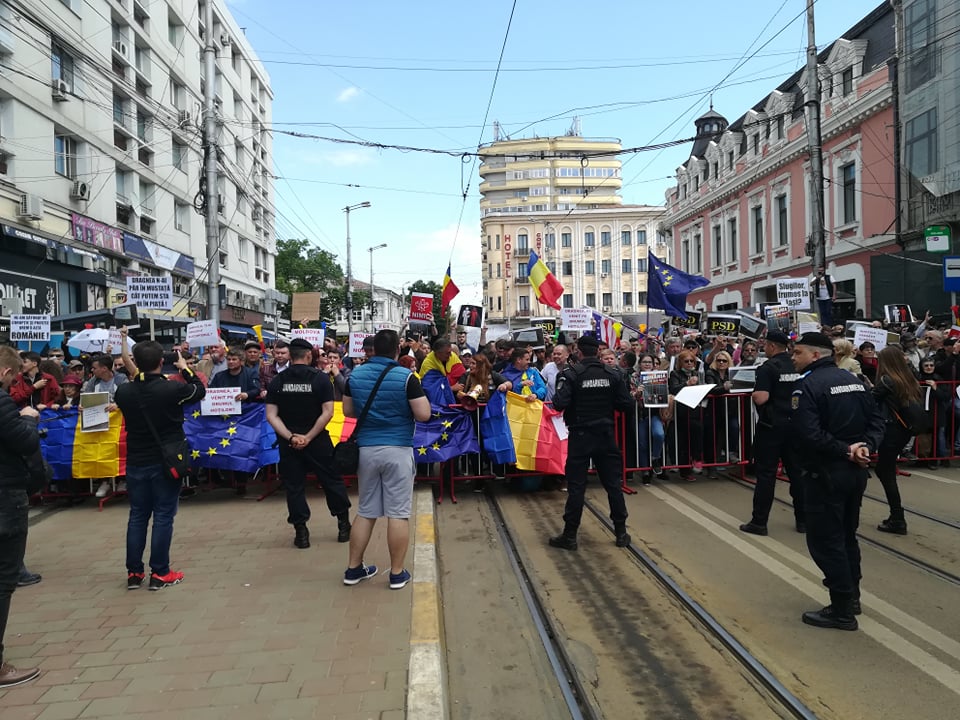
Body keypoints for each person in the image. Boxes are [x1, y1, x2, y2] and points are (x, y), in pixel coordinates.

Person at [790, 332, 884, 630]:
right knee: (846, 535)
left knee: (826, 541)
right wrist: (864, 447)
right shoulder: (854, 381)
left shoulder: (807, 387)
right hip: (855, 471)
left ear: (815, 355)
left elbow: (809, 433)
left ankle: (842, 608)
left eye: (798, 353)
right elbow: (877, 421)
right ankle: (852, 596)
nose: (793, 358)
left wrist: (847, 450)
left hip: (826, 473)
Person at [342, 330, 432, 588]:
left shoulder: (354, 376)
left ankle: (353, 569)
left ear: (370, 349)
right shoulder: (406, 377)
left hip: (366, 450)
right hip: (398, 449)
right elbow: (423, 414)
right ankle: (396, 573)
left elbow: (348, 411)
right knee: (398, 513)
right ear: (397, 350)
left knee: (366, 510)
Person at [114, 343, 205, 591]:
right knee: (163, 516)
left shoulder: (123, 392)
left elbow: (136, 381)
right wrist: (185, 369)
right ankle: (160, 572)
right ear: (161, 363)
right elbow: (198, 391)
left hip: (136, 462)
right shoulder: (171, 388)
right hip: (165, 461)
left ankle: (134, 572)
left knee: (137, 516)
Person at [549, 334, 634, 550]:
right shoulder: (613, 374)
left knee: (576, 487)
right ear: (597, 351)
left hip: (580, 436)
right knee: (613, 485)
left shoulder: (571, 374)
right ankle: (621, 533)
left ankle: (570, 536)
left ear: (578, 351)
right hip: (605, 434)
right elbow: (626, 404)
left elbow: (559, 403)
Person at [265, 338, 352, 549]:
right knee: (332, 481)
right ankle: (343, 524)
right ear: (308, 355)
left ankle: (301, 532)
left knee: (294, 487)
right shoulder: (320, 379)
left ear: (291, 355)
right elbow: (328, 412)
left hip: (289, 443)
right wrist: (310, 437)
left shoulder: (277, 381)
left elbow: (271, 416)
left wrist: (291, 437)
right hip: (318, 440)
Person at [0, 345, 42, 687]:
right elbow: (23, 443)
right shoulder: (2, 404)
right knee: (3, 582)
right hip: (4, 499)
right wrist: (27, 421)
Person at [739, 332, 803, 536]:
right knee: (797, 474)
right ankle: (804, 521)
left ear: (772, 347)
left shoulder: (768, 368)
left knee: (766, 475)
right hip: (796, 426)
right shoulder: (797, 365)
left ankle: (759, 522)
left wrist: (752, 393)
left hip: (772, 426)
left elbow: (760, 398)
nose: (763, 348)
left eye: (765, 345)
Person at [871, 347, 922, 535]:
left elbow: (870, 400)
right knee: (885, 470)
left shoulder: (886, 380)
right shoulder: (907, 379)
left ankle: (898, 518)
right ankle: (896, 516)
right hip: (904, 431)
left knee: (886, 472)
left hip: (891, 431)